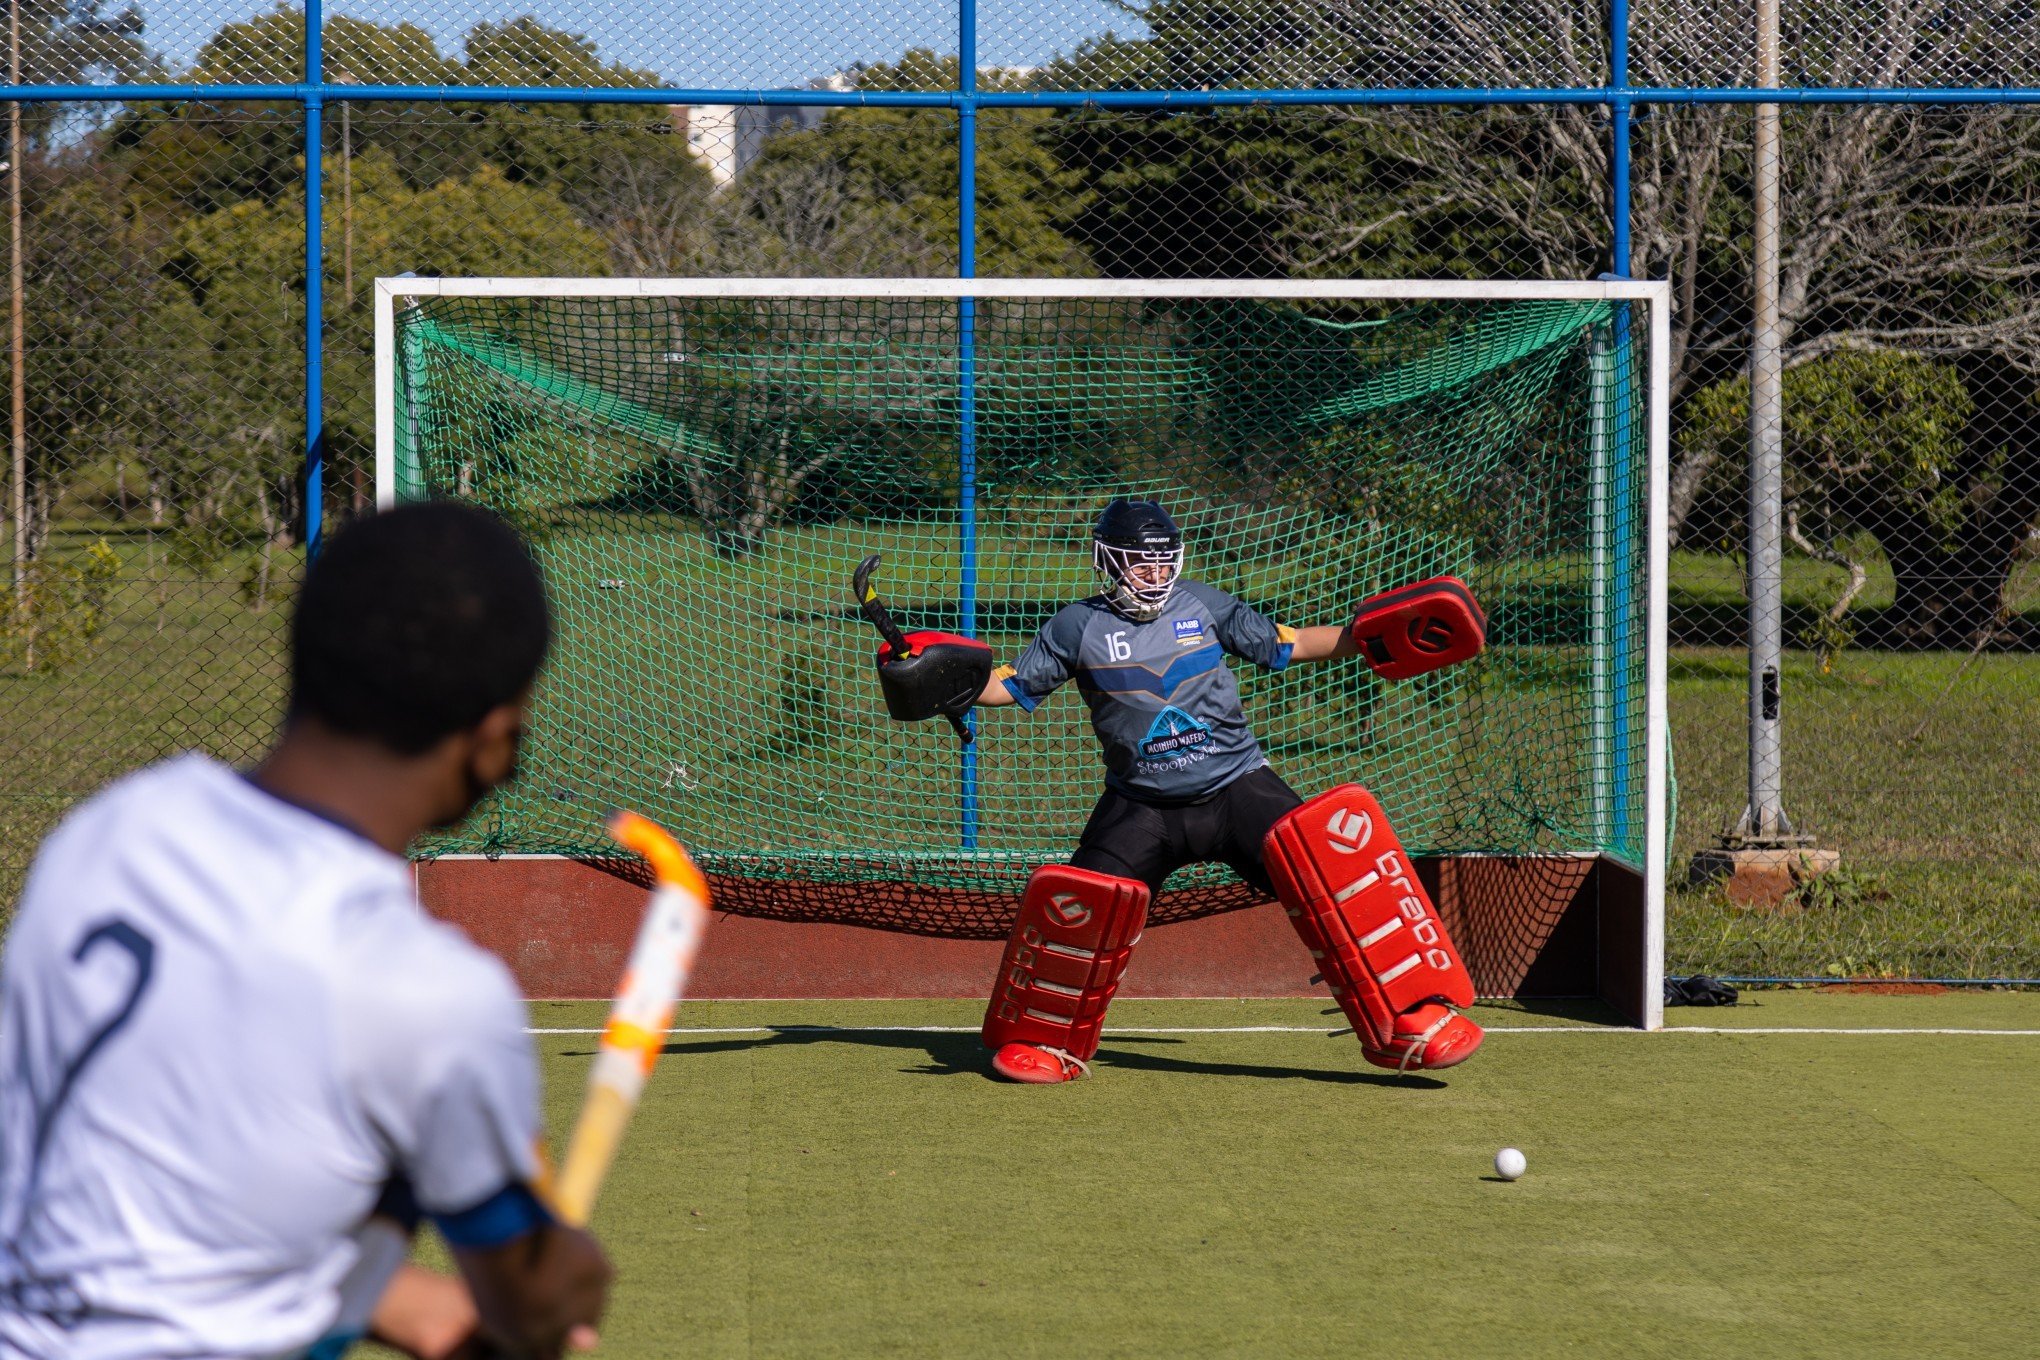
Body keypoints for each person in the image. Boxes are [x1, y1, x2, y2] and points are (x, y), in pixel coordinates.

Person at [0, 503, 610, 1359]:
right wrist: (567, 1274)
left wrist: (399, 1303)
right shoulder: (425, 993)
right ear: (496, 740)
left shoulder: (109, 834)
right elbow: (531, 1305)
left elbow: (157, 1164)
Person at [872, 498, 1489, 1084]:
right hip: (1140, 807)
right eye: (1142, 560)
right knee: (1078, 914)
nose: (1156, 571)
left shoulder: (1205, 605)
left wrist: (1369, 638)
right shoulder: (1075, 626)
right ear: (1107, 561)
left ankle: (1408, 1021)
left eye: (1165, 559)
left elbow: (1291, 641)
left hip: (1238, 787)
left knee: (1335, 883)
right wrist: (936, 677)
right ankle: (1043, 1041)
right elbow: (1011, 687)